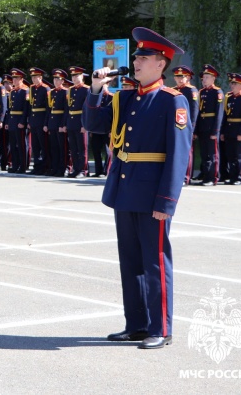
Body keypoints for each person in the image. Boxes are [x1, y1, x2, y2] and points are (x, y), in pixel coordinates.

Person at [85, 27, 192, 349]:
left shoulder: (174, 101)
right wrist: (95, 89)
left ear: (161, 64)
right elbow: (94, 125)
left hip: (152, 194)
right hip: (124, 188)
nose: (137, 62)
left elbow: (178, 156)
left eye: (143, 58)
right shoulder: (125, 97)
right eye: (136, 57)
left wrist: (167, 200)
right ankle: (136, 325)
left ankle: (160, 328)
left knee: (155, 261)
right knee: (130, 261)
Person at [193, 65, 225, 185]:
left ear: (213, 78)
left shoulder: (218, 92)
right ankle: (205, 175)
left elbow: (219, 114)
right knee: (204, 153)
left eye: (207, 77)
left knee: (212, 154)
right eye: (203, 78)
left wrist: (215, 131)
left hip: (211, 127)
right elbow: (198, 112)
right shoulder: (201, 92)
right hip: (202, 126)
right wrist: (196, 130)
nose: (204, 80)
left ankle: (213, 177)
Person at [221, 73, 241, 185]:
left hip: (238, 130)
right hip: (229, 130)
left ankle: (239, 178)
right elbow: (225, 116)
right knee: (230, 155)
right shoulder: (229, 97)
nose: (232, 85)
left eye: (235, 83)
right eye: (231, 83)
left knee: (238, 156)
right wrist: (223, 132)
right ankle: (232, 176)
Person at [172, 66, 199, 185]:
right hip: (174, 126)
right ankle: (176, 176)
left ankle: (186, 177)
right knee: (175, 152)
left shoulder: (191, 91)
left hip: (185, 126)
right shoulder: (173, 90)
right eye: (177, 77)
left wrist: (191, 129)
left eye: (181, 77)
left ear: (188, 77)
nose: (179, 79)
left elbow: (193, 111)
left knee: (186, 152)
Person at [45, 69, 69, 177]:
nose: (55, 81)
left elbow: (66, 110)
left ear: (62, 81)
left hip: (59, 122)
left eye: (58, 79)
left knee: (62, 148)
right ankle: (54, 168)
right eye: (54, 79)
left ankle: (63, 168)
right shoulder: (52, 92)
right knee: (53, 147)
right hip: (52, 122)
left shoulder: (65, 92)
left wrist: (62, 124)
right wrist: (47, 123)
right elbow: (49, 110)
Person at [7, 69, 30, 173]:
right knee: (13, 144)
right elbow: (10, 108)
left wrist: (23, 121)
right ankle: (15, 165)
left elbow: (26, 108)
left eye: (16, 78)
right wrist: (7, 122)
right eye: (13, 78)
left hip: (20, 120)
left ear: (21, 79)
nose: (14, 80)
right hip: (12, 120)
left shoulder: (26, 90)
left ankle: (23, 165)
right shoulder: (12, 91)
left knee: (21, 144)